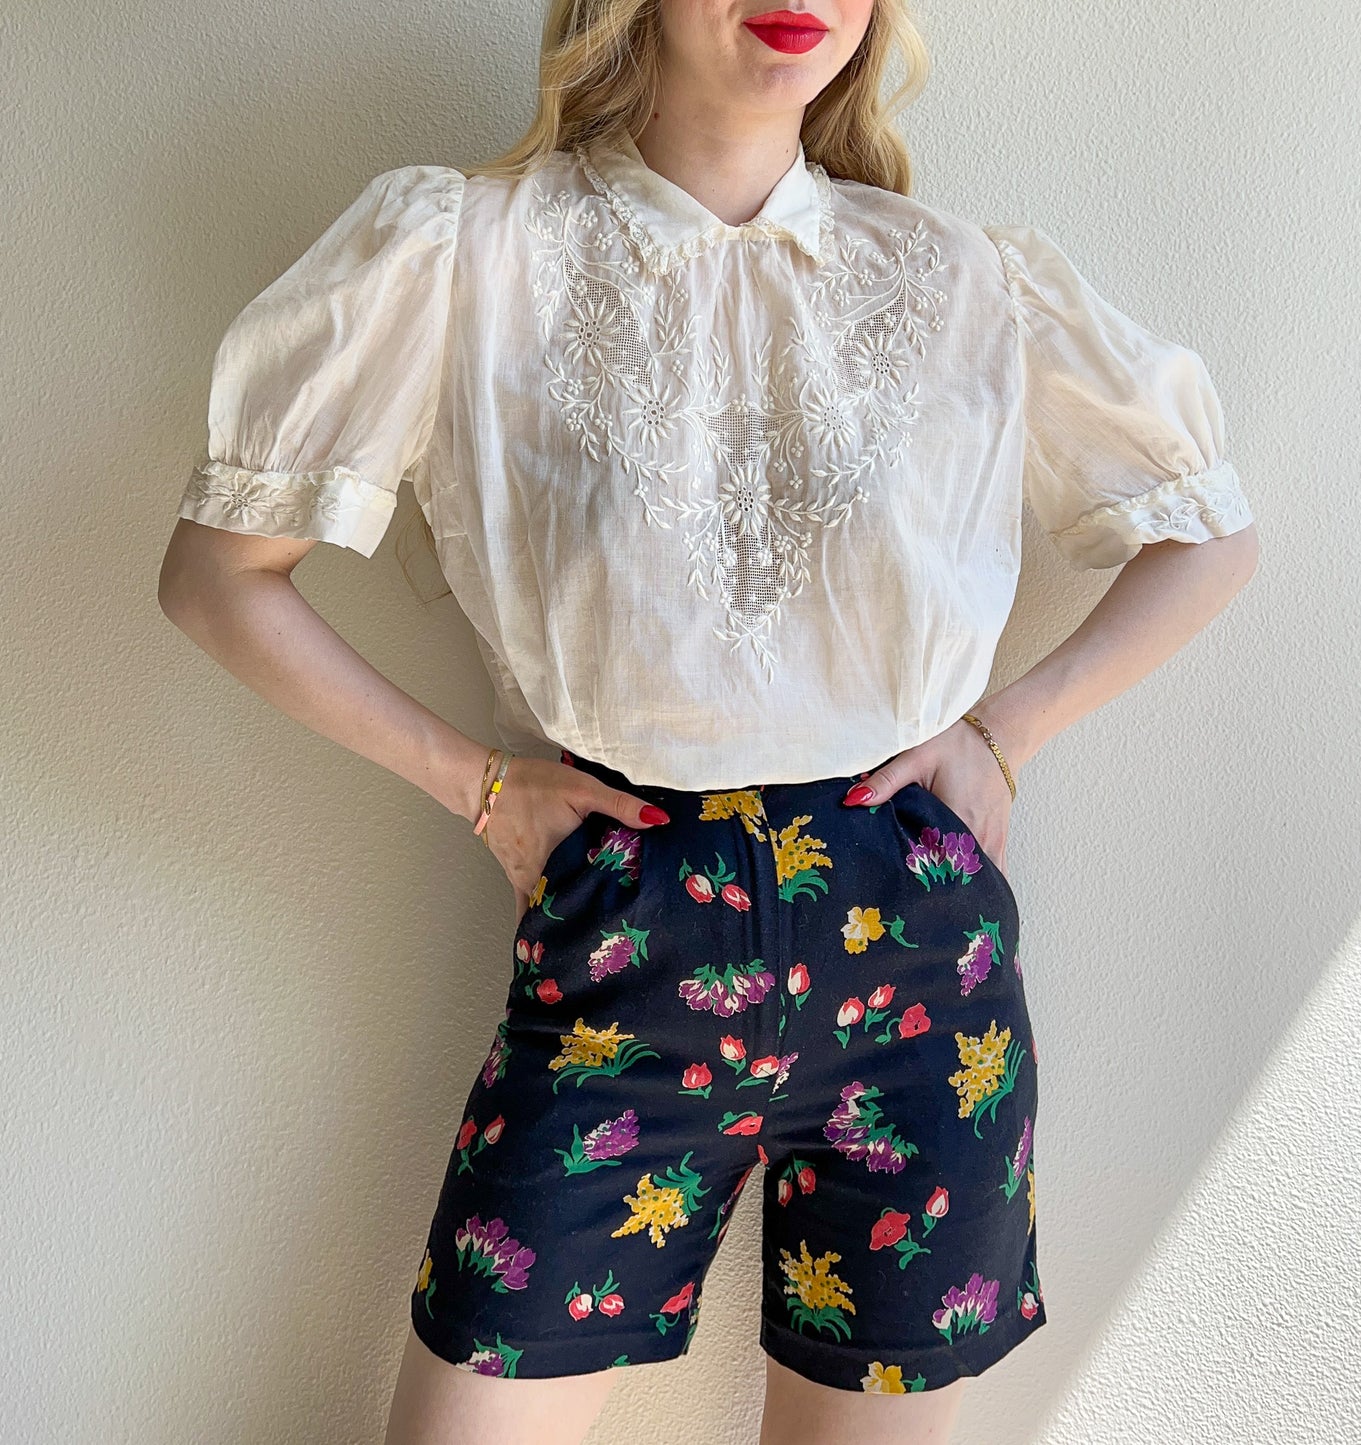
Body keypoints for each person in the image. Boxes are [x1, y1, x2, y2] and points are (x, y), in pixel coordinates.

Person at [157, 1, 1260, 1440]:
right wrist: (479, 783)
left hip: (918, 955)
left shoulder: (965, 280)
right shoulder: (466, 253)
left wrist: (1004, 734)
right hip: (625, 929)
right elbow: (219, 578)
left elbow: (1206, 535)